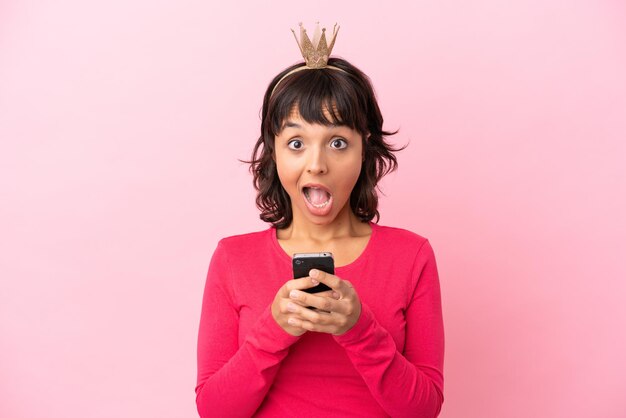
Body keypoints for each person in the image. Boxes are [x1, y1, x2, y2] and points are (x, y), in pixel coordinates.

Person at [195, 23, 445, 417]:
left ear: (365, 150)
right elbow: (215, 411)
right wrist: (275, 328)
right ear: (274, 154)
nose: (317, 164)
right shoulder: (232, 258)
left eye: (338, 143)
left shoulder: (412, 255)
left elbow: (424, 409)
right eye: (296, 143)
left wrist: (358, 328)